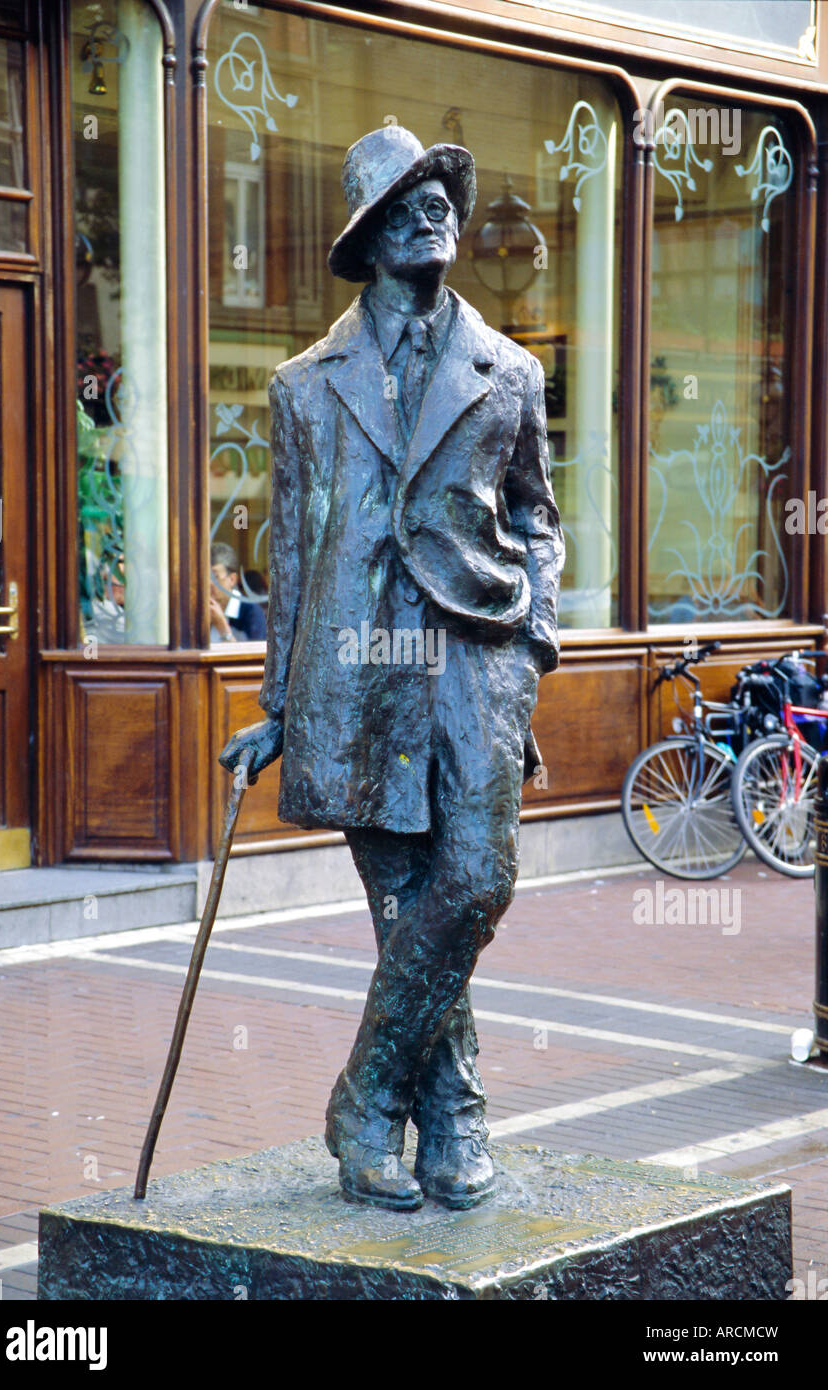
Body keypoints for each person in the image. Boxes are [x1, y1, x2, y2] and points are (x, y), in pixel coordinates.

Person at [220, 126, 564, 1211]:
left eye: (440, 195)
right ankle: (453, 1118)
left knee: (473, 880)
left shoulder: (509, 372)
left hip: (475, 658)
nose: (433, 211)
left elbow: (537, 523)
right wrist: (278, 706)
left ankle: (364, 1099)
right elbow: (293, 545)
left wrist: (535, 644)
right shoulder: (302, 387)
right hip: (356, 672)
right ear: (367, 235)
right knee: (403, 901)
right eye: (407, 201)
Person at [210, 541, 267, 641]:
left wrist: (222, 627)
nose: (208, 583)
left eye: (215, 577)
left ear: (232, 579)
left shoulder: (251, 612)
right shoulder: (199, 611)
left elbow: (255, 656)